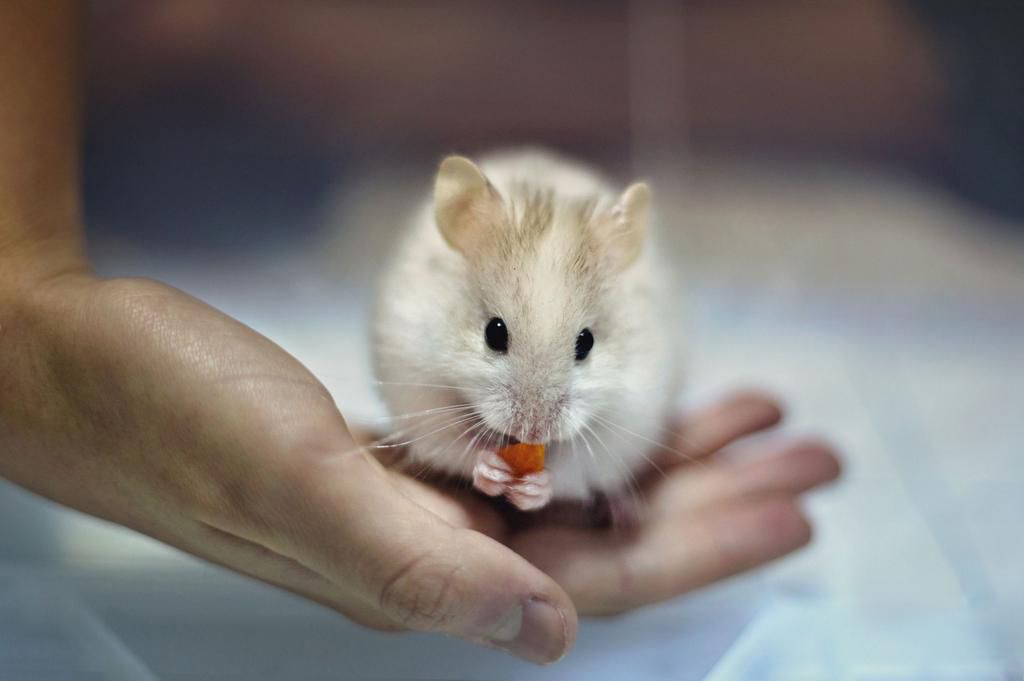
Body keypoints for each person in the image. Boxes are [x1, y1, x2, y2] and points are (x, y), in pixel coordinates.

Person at [0, 2, 840, 665]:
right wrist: (462, 456)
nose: (531, 419)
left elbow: (628, 412)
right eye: (499, 337)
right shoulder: (426, 289)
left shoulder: (632, 298)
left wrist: (577, 475)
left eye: (581, 349)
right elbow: (415, 407)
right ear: (459, 238)